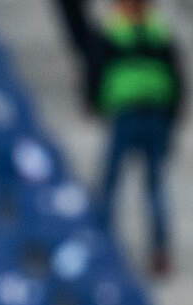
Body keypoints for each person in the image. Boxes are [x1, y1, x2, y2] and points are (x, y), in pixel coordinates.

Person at [60, 0, 183, 277]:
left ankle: (111, 245)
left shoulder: (117, 32)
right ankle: (153, 249)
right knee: (143, 183)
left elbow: (95, 69)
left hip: (132, 111)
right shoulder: (158, 32)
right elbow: (175, 77)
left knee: (121, 181)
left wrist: (92, 101)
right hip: (149, 111)